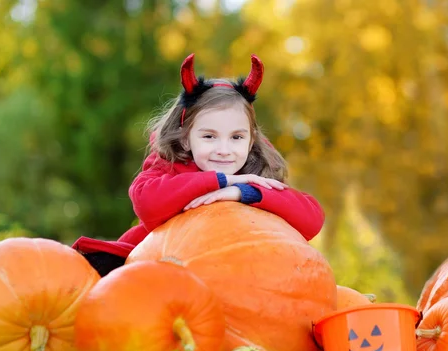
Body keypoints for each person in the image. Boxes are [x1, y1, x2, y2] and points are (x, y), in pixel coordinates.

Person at [72, 53, 325, 277]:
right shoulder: (170, 165)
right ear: (185, 137)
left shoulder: (255, 176)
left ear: (250, 142)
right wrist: (221, 180)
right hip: (165, 269)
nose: (224, 150)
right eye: (209, 136)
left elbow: (312, 219)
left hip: (240, 275)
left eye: (236, 137)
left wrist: (242, 192)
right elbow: (147, 204)